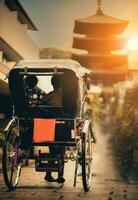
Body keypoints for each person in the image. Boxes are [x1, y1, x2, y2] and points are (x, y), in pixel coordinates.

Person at [42, 75, 65, 183]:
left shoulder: (47, 97)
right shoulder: (67, 97)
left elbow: (40, 105)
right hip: (63, 127)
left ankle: (48, 173)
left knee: (53, 151)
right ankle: (60, 175)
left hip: (48, 127)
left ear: (52, 83)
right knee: (61, 151)